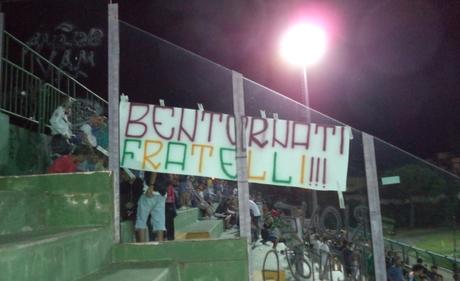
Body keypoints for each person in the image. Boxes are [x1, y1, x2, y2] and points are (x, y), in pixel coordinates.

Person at [135, 172, 168, 242]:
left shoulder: (153, 161)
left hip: (150, 192)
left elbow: (154, 170)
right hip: (161, 193)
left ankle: (142, 247)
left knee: (141, 220)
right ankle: (160, 244)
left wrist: (151, 186)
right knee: (159, 222)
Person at [164, 176, 177, 241]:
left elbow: (169, 198)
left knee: (168, 222)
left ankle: (169, 236)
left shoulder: (169, 187)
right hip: (170, 205)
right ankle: (170, 237)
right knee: (170, 223)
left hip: (168, 205)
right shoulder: (171, 187)